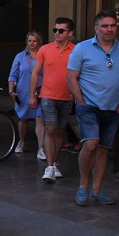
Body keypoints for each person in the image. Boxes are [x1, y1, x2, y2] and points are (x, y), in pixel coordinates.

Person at [68, 11, 119, 206]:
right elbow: (71, 76)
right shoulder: (82, 49)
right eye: (105, 26)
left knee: (104, 148)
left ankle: (97, 190)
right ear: (96, 28)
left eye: (113, 25)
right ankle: (83, 186)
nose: (109, 29)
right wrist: (80, 101)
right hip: (88, 106)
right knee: (91, 144)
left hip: (113, 108)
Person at [30, 17, 75, 183]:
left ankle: (54, 163)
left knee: (60, 132)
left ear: (70, 33)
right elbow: (35, 73)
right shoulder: (45, 49)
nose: (57, 33)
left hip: (67, 97)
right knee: (51, 129)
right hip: (47, 95)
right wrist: (31, 96)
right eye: (55, 30)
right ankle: (49, 167)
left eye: (61, 30)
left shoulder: (76, 51)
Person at [8, 31, 45, 157]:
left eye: (34, 41)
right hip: (23, 92)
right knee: (23, 119)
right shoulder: (20, 56)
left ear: (39, 42)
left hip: (40, 92)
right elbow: (12, 75)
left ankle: (41, 148)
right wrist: (11, 90)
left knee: (40, 119)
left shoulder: (44, 55)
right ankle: (21, 142)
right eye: (29, 41)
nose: (32, 43)